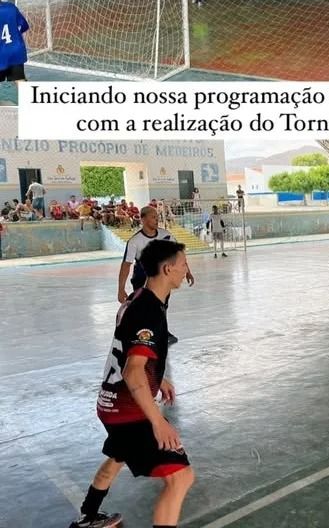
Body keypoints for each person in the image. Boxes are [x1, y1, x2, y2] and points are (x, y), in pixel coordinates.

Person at [68, 239, 194, 528]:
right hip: (128, 412)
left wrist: (158, 377)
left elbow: (127, 353)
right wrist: (158, 422)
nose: (187, 269)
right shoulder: (148, 311)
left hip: (110, 403)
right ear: (167, 269)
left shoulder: (137, 299)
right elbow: (133, 372)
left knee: (117, 457)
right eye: (183, 263)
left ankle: (88, 517)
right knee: (180, 477)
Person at [118, 205, 195, 345]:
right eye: (153, 217)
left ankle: (161, 331)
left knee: (162, 306)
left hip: (162, 279)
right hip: (142, 278)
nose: (156, 220)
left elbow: (178, 255)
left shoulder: (166, 235)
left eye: (157, 217)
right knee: (144, 307)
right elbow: (126, 265)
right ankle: (142, 334)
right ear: (143, 219)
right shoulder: (135, 241)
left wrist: (188, 271)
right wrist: (121, 288)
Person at [0, 0, 30, 93]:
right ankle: (31, 102)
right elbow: (24, 26)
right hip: (15, 51)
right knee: (20, 79)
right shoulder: (11, 7)